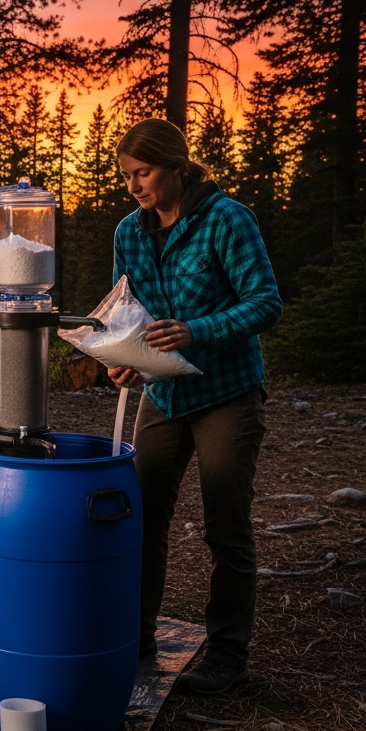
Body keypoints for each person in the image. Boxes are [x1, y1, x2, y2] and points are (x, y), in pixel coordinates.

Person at [108, 118, 282, 696]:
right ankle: (134, 641)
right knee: (142, 517)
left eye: (145, 172)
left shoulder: (227, 219)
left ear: (178, 165)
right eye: (127, 176)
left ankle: (228, 656)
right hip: (163, 393)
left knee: (224, 524)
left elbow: (265, 303)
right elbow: (124, 315)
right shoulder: (128, 232)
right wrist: (123, 356)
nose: (135, 186)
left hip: (227, 393)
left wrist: (195, 331)